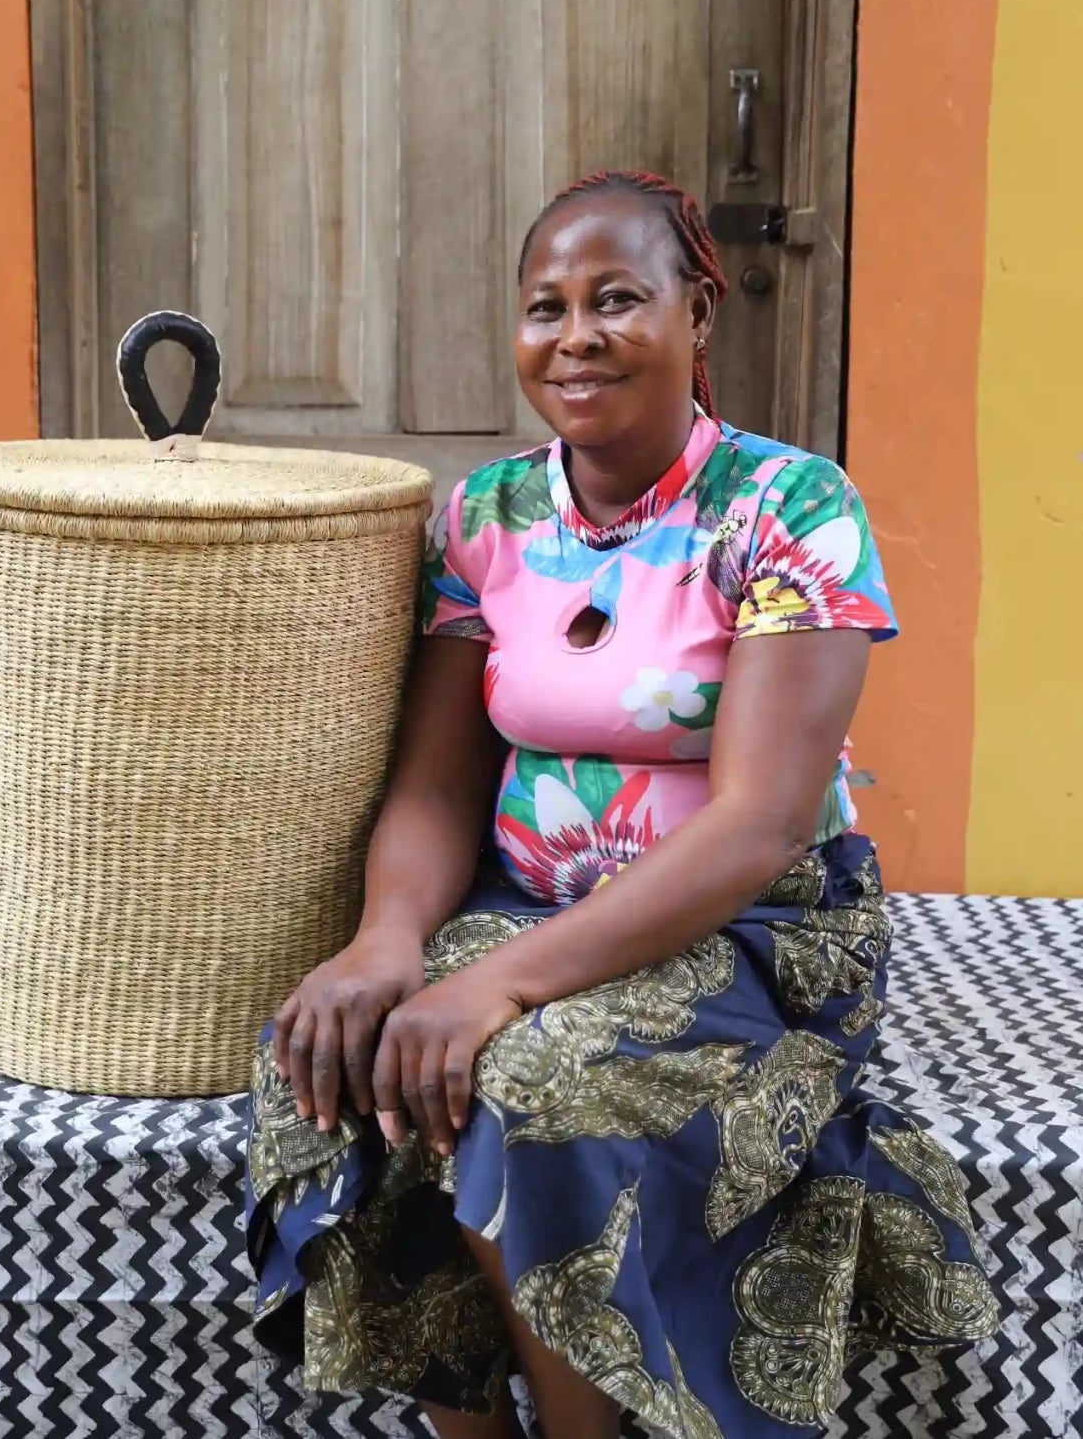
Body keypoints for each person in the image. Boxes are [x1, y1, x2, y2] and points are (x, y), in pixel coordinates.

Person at [244, 171, 998, 1439]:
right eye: (547, 307)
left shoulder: (786, 507)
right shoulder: (489, 516)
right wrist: (386, 942)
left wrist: (500, 984)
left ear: (698, 315)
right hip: (532, 900)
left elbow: (759, 821)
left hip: (758, 928)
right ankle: (469, 1424)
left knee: (529, 1079)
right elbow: (437, 780)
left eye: (617, 299)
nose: (576, 335)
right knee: (333, 1052)